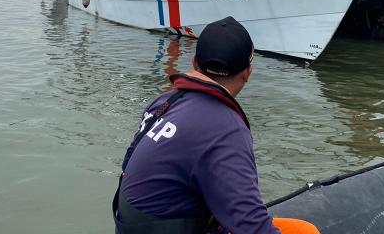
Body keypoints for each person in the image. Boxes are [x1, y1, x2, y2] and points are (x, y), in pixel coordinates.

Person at [114, 16, 319, 234]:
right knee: (304, 231)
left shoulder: (164, 102)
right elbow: (251, 225)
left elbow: (127, 166)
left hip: (133, 226)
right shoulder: (226, 128)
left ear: (195, 63)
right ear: (247, 73)